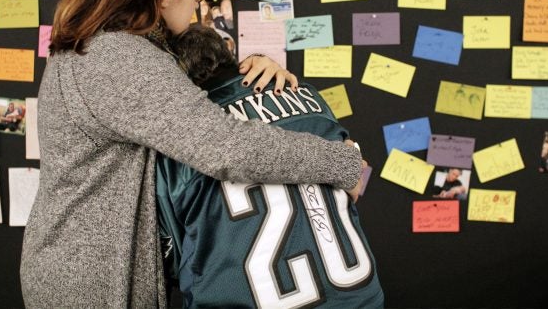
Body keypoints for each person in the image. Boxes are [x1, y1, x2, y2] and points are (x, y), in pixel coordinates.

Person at [19, 0, 365, 308]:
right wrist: (342, 162)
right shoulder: (117, 58)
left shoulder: (102, 48)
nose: (200, 2)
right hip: (91, 283)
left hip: (80, 267)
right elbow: (225, 148)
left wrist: (249, 70)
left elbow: (183, 93)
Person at [159, 25, 384, 308]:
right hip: (359, 297)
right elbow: (358, 178)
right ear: (229, 53)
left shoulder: (173, 138)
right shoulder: (306, 94)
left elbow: (171, 260)